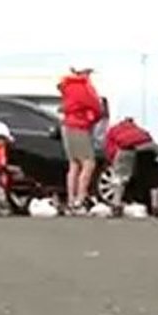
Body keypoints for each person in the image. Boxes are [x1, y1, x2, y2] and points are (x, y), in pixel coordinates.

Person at [57, 66, 103, 213]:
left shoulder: (67, 86)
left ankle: (71, 199)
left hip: (67, 126)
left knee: (74, 164)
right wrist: (93, 117)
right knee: (88, 163)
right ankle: (80, 199)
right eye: (88, 72)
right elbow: (97, 107)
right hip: (79, 127)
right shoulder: (83, 86)